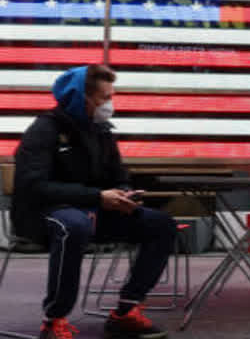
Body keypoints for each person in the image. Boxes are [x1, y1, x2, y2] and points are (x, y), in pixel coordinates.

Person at [11, 65, 176, 339]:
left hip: (95, 210)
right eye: (104, 98)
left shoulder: (102, 131)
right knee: (73, 226)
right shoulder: (44, 129)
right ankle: (54, 320)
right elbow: (34, 186)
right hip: (45, 214)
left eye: (111, 96)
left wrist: (124, 193)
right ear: (81, 97)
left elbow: (118, 174)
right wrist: (96, 197)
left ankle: (126, 311)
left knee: (161, 225)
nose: (109, 104)